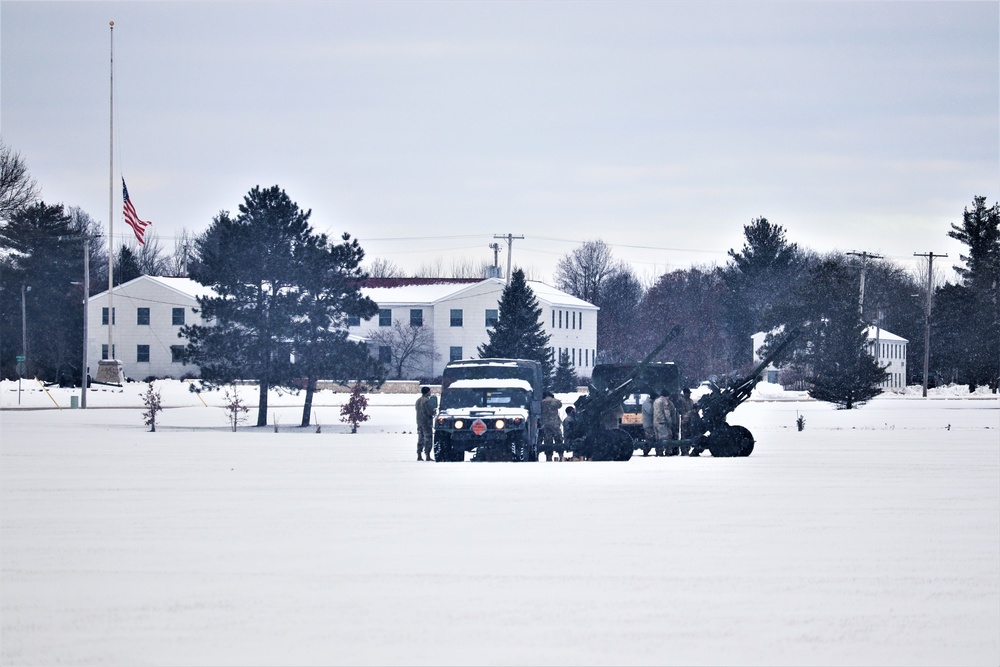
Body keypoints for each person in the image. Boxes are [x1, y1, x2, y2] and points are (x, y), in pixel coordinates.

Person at [540, 391, 564, 461]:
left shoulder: (541, 402)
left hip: (545, 424)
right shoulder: (555, 401)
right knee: (558, 439)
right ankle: (561, 454)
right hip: (555, 423)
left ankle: (549, 456)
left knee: (547, 440)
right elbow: (560, 405)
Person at [652, 389, 677, 456]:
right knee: (667, 437)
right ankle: (667, 452)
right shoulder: (665, 401)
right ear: (667, 396)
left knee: (658, 439)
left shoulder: (656, 401)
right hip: (662, 422)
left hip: (655, 422)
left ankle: (659, 452)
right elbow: (667, 413)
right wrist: (670, 422)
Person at [415, 386, 436, 461]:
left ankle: (419, 454)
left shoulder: (418, 400)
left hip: (419, 422)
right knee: (428, 439)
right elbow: (429, 412)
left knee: (420, 438)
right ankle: (427, 455)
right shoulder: (427, 401)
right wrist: (434, 412)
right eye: (430, 391)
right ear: (427, 392)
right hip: (426, 422)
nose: (431, 392)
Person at [673, 387, 696, 455]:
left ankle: (687, 449)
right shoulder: (681, 401)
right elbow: (682, 411)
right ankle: (684, 450)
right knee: (684, 435)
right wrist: (689, 413)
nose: (689, 395)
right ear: (685, 393)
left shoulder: (691, 401)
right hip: (684, 420)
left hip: (691, 421)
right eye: (688, 393)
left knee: (689, 435)